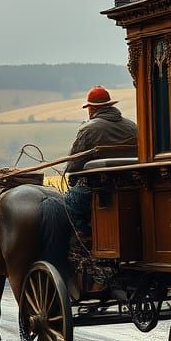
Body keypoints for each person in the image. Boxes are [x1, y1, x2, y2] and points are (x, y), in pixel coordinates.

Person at [63, 86, 138, 239]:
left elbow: (73, 165)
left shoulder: (89, 129)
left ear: (91, 109)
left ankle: (84, 240)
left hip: (99, 188)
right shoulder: (132, 127)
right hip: (133, 187)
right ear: (110, 105)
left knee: (67, 204)